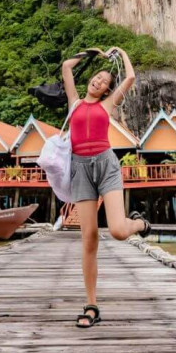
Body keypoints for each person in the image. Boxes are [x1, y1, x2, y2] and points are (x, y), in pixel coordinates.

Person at [62, 46, 152, 328]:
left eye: (104, 82)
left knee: (117, 230)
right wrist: (91, 53)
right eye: (96, 78)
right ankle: (91, 305)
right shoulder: (74, 102)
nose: (98, 81)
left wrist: (122, 52)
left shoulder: (107, 105)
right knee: (88, 238)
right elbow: (66, 67)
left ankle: (139, 224)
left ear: (105, 91)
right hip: (80, 168)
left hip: (106, 164)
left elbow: (131, 77)